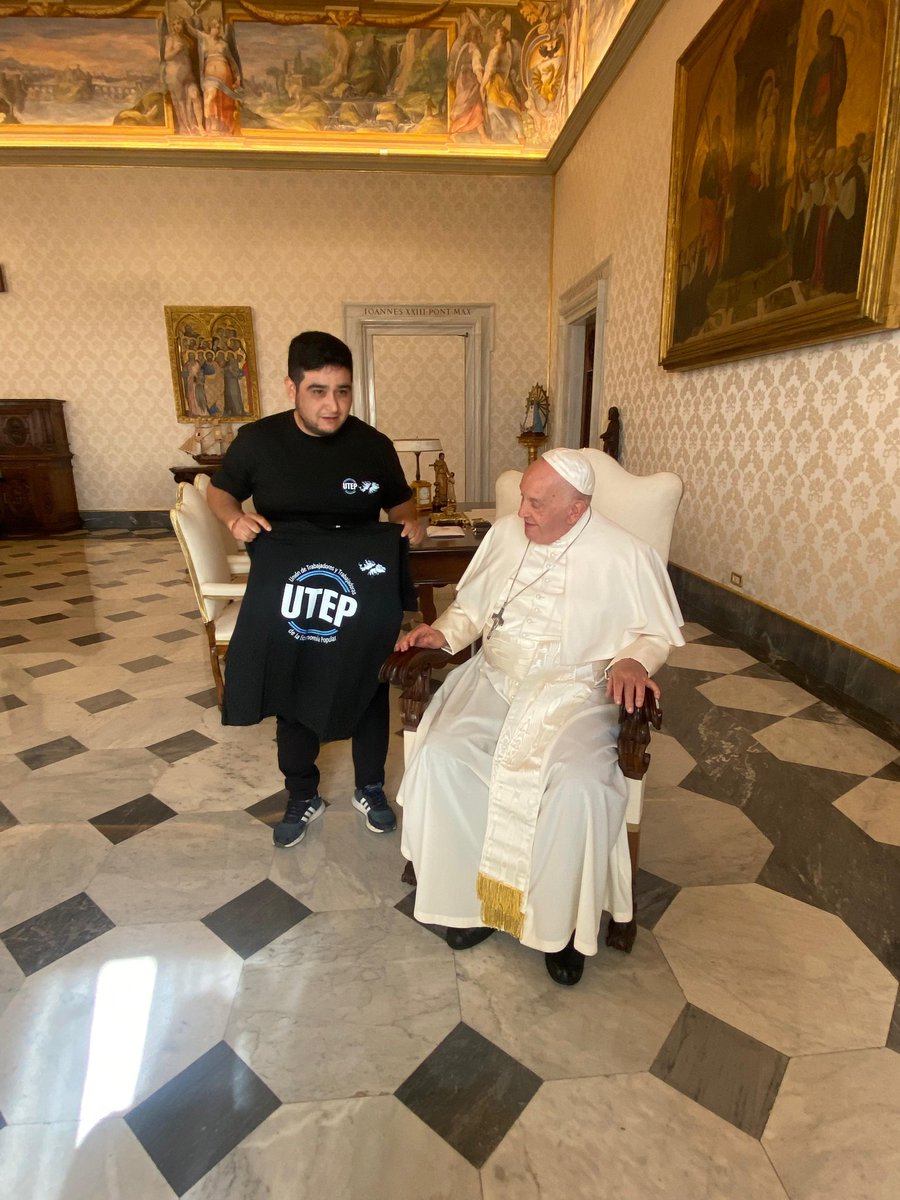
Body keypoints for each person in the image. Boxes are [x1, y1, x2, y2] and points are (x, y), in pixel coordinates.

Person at [395, 449, 684, 986]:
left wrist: (630, 660)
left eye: (536, 503)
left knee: (578, 786)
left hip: (575, 693)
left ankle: (561, 929)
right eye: (524, 497)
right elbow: (473, 608)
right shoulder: (506, 536)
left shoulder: (625, 555)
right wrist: (446, 634)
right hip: (496, 681)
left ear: (577, 509)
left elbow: (655, 632)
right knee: (443, 756)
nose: (520, 512)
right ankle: (469, 904)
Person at [207, 331, 424, 848]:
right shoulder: (258, 441)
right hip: (289, 581)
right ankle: (301, 792)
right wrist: (234, 517)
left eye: (343, 391)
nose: (333, 405)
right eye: (319, 391)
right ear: (291, 388)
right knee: (293, 683)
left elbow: (400, 504)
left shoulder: (373, 445)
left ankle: (370, 785)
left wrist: (410, 523)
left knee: (371, 678)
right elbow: (220, 491)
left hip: (360, 579)